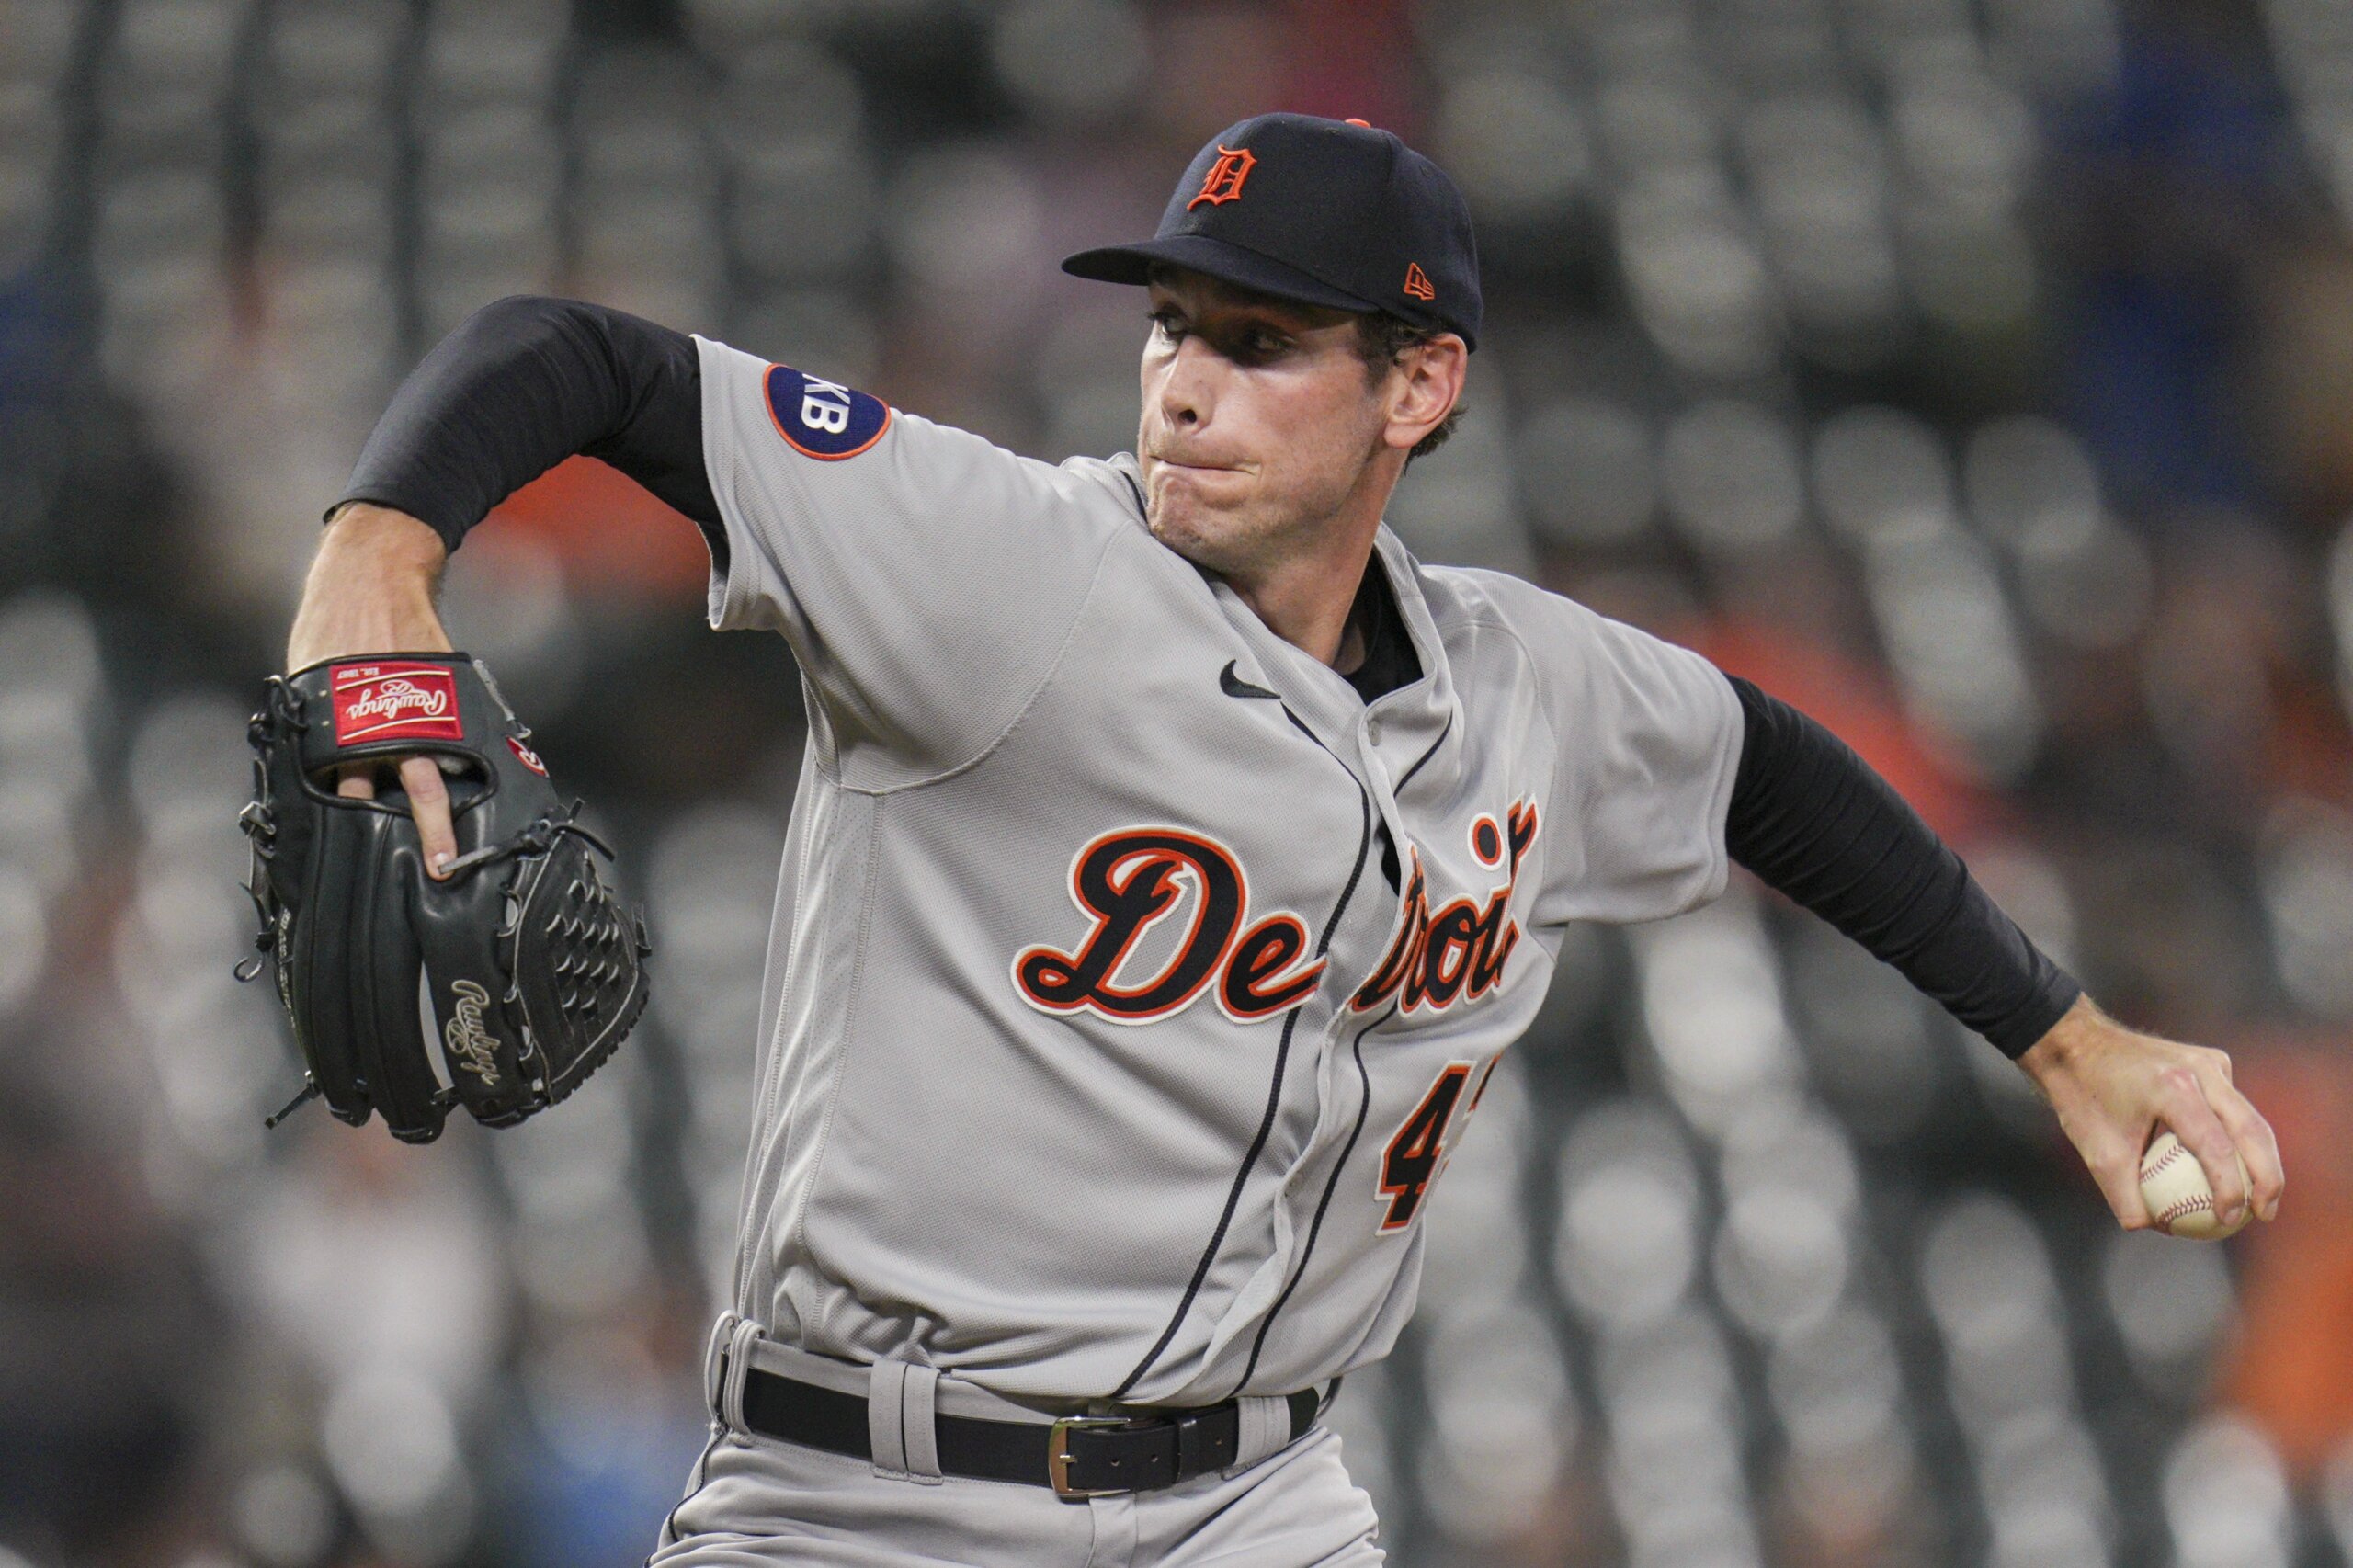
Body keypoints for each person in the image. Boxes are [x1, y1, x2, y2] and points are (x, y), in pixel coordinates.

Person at [283, 113, 2283, 1565]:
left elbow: (1769, 765)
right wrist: (379, 543)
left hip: (1255, 1505)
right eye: (1170, 328)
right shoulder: (1005, 568)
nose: (1180, 389)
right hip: (864, 1500)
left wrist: (2061, 1038)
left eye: (1257, 345)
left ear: (1418, 384)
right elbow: (584, 359)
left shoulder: (1525, 688)